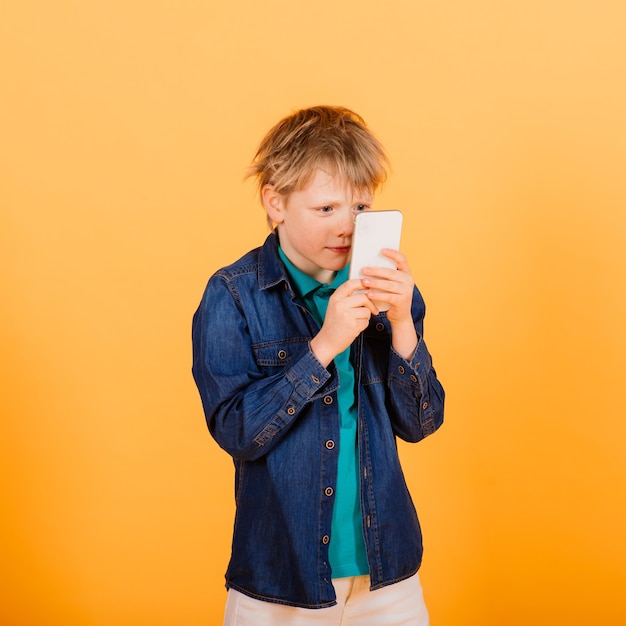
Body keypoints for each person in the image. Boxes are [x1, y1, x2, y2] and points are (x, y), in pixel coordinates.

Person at [192, 105, 445, 625]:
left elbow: (421, 424)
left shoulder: (389, 293)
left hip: (387, 573)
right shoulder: (234, 296)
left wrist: (402, 324)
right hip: (281, 579)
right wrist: (323, 346)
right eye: (326, 208)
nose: (347, 226)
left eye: (360, 207)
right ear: (276, 203)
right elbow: (237, 430)